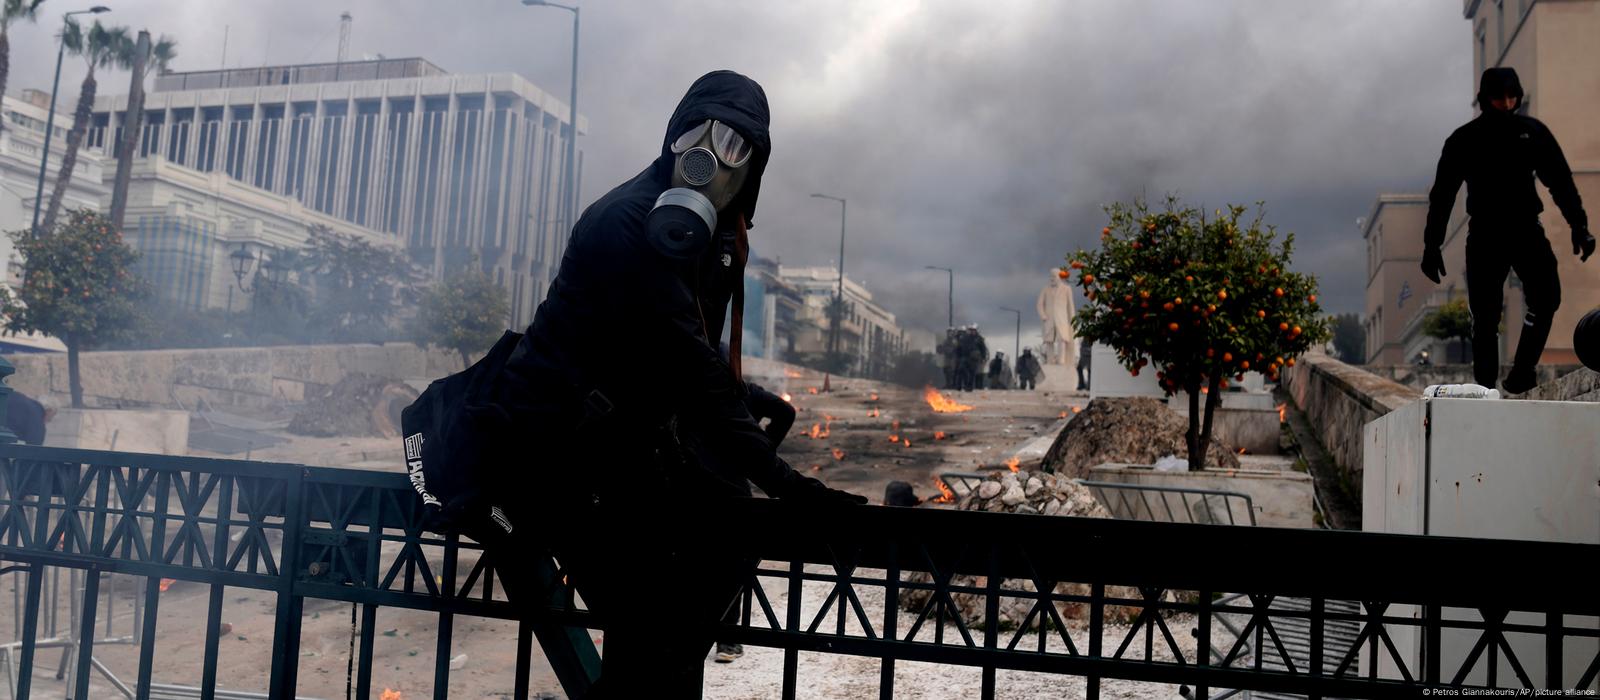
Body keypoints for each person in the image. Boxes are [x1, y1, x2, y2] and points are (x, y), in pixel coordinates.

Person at [493, 70, 865, 697]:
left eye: (735, 147)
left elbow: (682, 351)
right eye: (696, 134)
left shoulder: (713, 236)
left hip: (618, 440)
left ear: (755, 169)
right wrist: (791, 486)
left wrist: (752, 403)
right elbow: (688, 363)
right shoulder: (623, 225)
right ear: (671, 138)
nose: (709, 158)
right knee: (654, 626)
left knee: (689, 597)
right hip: (554, 451)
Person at [1421, 67, 1593, 394]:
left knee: (1548, 298)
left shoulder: (1531, 133)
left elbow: (1559, 181)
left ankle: (1522, 371)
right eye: (1501, 98)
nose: (1508, 103)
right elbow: (1442, 195)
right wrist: (1432, 245)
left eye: (1513, 97)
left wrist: (1579, 225)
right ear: (1486, 99)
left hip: (1526, 228)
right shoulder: (1464, 140)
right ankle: (1485, 387)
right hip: (1485, 234)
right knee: (1485, 318)